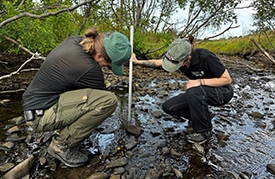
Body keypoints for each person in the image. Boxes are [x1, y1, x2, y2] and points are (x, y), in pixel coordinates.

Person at [22, 27, 132, 167]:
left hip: (36, 104)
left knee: (92, 98)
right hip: (40, 117)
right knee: (108, 101)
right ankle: (60, 145)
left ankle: (63, 132)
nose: (108, 68)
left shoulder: (76, 41)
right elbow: (99, 101)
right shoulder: (88, 69)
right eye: (109, 65)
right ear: (99, 56)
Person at [132, 36, 233, 144]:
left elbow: (227, 79)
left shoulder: (205, 57)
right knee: (169, 107)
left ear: (188, 58)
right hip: (199, 93)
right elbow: (158, 63)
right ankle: (204, 116)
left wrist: (199, 82)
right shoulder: (177, 58)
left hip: (222, 92)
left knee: (193, 90)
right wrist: (137, 62)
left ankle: (204, 131)